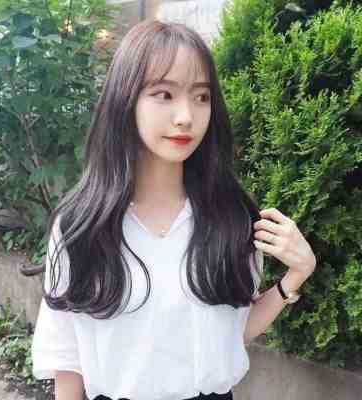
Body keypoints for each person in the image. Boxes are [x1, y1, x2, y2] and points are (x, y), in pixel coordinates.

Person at [31, 19, 317, 400]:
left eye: (201, 97)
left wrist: (294, 277)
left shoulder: (228, 219)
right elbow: (68, 360)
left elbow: (230, 334)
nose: (186, 116)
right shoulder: (83, 226)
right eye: (164, 94)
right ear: (125, 100)